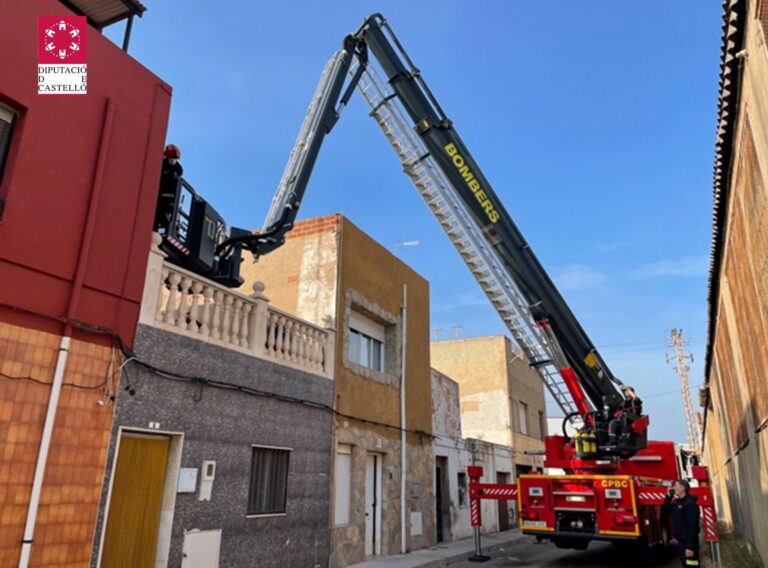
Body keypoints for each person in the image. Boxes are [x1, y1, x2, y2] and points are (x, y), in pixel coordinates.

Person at [661, 479, 700, 567]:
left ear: (682, 488)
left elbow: (693, 527)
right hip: (681, 542)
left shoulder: (690, 504)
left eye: (676, 485)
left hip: (689, 543)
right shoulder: (676, 503)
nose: (674, 488)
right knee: (685, 564)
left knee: (692, 565)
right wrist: (668, 499)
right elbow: (664, 515)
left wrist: (690, 547)